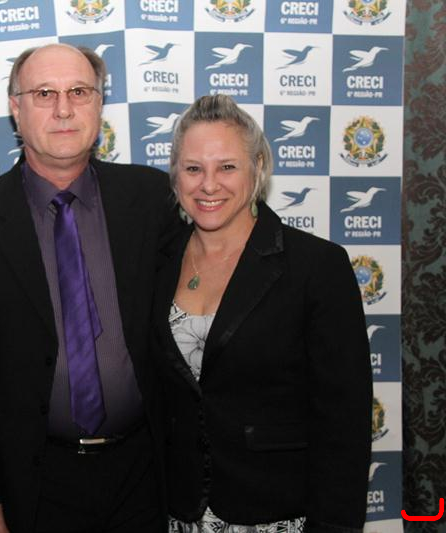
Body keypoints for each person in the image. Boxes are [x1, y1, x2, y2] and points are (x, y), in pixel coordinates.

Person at [0, 44, 181, 533]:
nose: (64, 109)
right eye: (44, 93)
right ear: (15, 108)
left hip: (145, 474)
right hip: (32, 483)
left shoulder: (151, 198)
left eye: (80, 92)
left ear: (99, 104)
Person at [153, 94, 372, 532]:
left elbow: (344, 424)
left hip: (280, 514)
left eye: (227, 167)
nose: (208, 185)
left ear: (257, 168)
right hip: (179, 514)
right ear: (175, 174)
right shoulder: (157, 260)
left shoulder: (315, 266)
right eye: (193, 168)